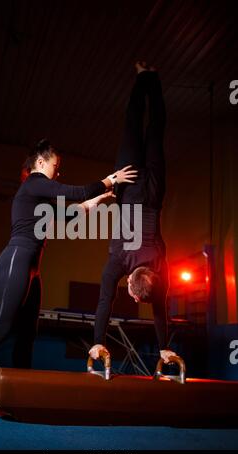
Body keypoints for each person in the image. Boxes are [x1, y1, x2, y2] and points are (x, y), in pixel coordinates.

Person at [0, 139, 137, 423]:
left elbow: (71, 214)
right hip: (16, 260)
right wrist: (110, 180)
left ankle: (18, 399)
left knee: (27, 336)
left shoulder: (39, 198)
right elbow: (74, 192)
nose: (57, 173)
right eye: (55, 167)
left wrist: (98, 200)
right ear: (40, 163)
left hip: (32, 269)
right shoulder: (34, 183)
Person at [89, 62, 176, 365]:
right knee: (132, 124)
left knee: (155, 131)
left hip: (153, 190)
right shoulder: (118, 260)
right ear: (133, 292)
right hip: (127, 185)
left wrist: (165, 346)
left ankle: (153, 78)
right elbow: (104, 303)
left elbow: (161, 309)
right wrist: (97, 343)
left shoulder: (159, 269)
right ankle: (142, 77)